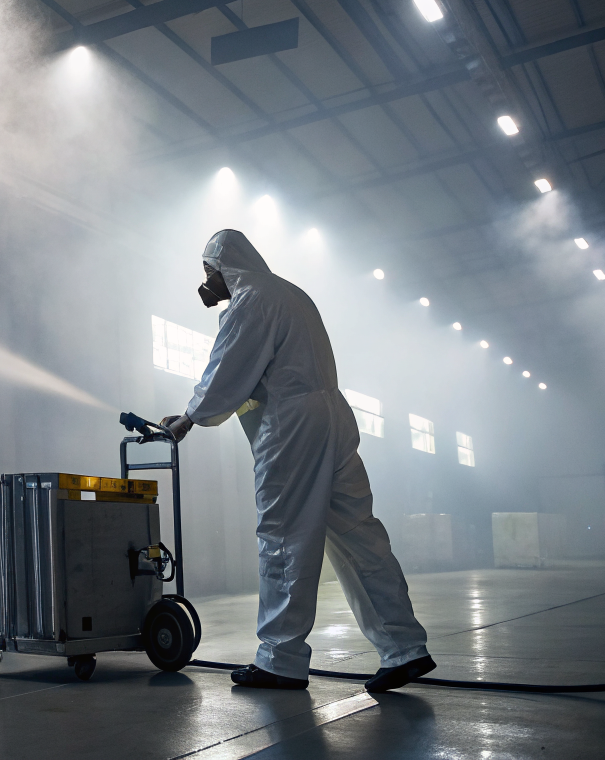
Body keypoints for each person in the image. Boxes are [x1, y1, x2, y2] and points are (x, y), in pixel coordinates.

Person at [129, 229, 435, 693]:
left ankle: (281, 659)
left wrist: (189, 417)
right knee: (360, 537)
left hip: (291, 428)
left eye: (210, 273)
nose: (208, 283)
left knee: (284, 538)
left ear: (226, 266)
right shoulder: (291, 293)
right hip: (332, 420)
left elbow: (228, 368)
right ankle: (405, 647)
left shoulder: (252, 299)